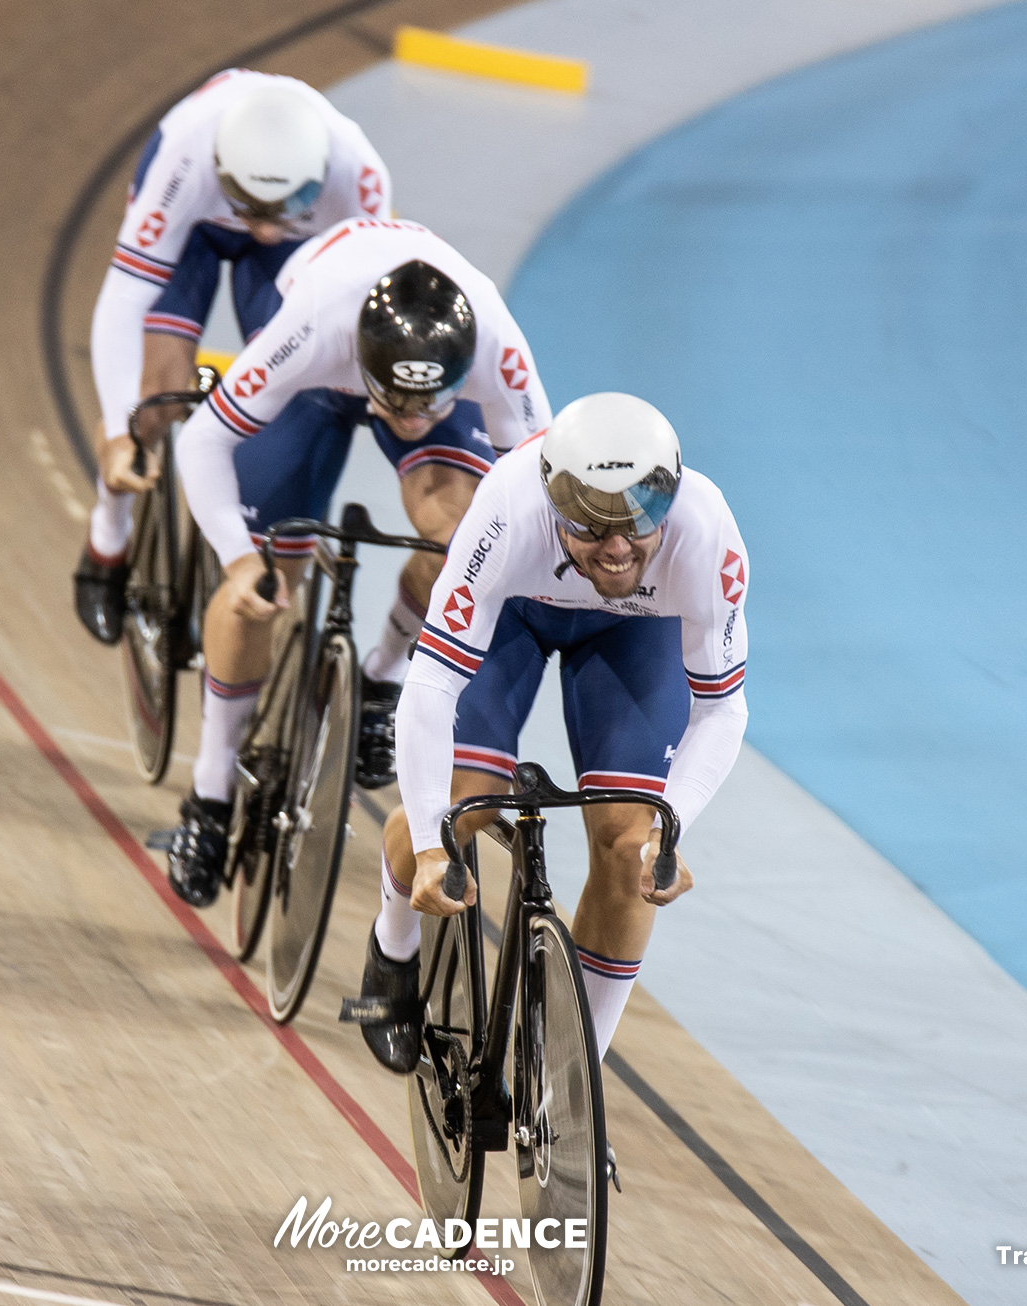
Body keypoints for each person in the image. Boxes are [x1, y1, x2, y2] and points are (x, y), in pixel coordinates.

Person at [162, 216, 554, 907]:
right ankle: (211, 788)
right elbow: (202, 440)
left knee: (459, 538)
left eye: (425, 403)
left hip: (402, 372)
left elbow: (533, 490)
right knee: (263, 584)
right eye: (397, 403)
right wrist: (234, 558)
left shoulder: (495, 341)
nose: (409, 416)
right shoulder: (317, 324)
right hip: (318, 383)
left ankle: (382, 673)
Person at [353, 392, 749, 1073]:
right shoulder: (510, 507)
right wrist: (426, 845)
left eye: (639, 522)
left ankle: (571, 1081)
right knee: (461, 804)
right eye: (593, 527)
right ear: (557, 503)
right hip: (515, 614)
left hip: (631, 633)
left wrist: (669, 827)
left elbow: (723, 709)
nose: (619, 547)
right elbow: (430, 681)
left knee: (633, 854)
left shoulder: (704, 533)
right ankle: (391, 953)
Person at [74, 69, 392, 644]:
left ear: (317, 179)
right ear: (224, 174)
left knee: (292, 388)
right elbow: (124, 297)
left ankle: (238, 522)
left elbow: (344, 308)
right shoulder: (187, 154)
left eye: (286, 207)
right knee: (154, 397)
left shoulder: (358, 175)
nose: (266, 230)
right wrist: (123, 431)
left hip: (305, 246)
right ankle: (108, 536)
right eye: (252, 208)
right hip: (194, 225)